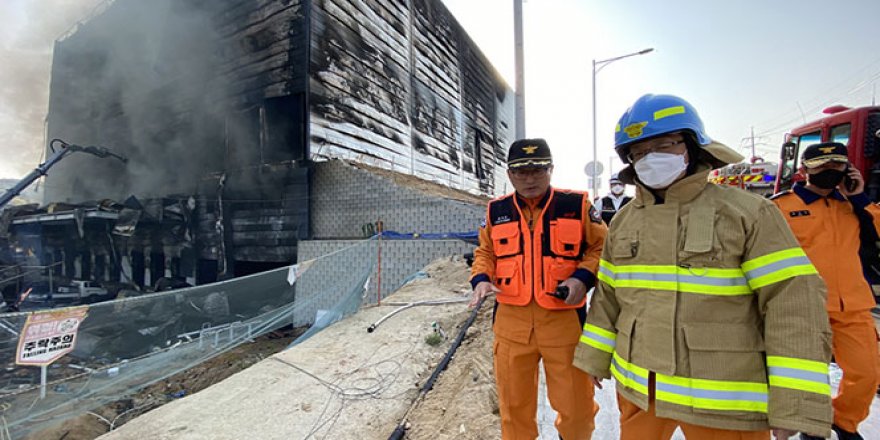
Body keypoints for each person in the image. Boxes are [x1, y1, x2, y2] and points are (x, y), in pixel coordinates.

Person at [572, 94, 832, 439]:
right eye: (638, 152)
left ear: (692, 146)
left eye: (664, 144)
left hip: (724, 400)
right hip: (639, 391)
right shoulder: (623, 221)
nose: (650, 159)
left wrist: (795, 403)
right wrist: (594, 356)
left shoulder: (747, 213)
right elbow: (607, 296)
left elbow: (793, 305)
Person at [469, 138, 607, 440]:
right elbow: (485, 253)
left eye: (537, 170)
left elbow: (602, 247)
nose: (529, 178)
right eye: (521, 172)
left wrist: (582, 278)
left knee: (577, 409)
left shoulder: (576, 205)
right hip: (511, 325)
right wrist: (481, 280)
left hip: (564, 323)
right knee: (513, 409)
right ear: (509, 174)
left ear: (551, 170)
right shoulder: (496, 211)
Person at [771, 142, 880, 440]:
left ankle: (844, 423)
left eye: (837, 165)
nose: (830, 171)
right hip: (804, 306)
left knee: (867, 373)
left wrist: (859, 198)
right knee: (809, 379)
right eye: (822, 166)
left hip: (853, 305)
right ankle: (813, 428)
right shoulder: (780, 206)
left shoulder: (854, 206)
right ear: (804, 170)